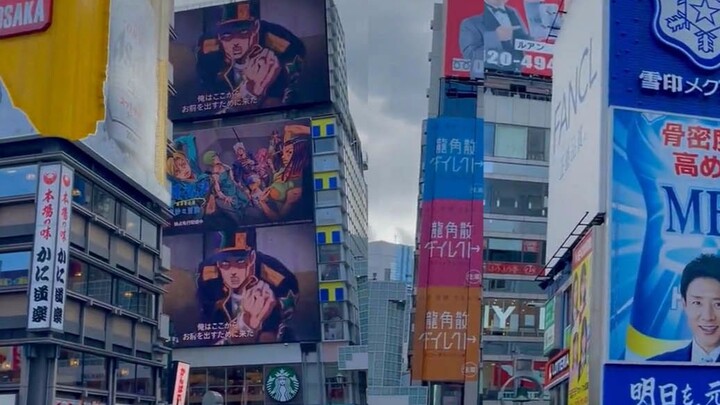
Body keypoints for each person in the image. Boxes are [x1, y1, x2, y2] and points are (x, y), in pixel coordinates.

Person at [195, 1, 306, 114]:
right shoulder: (208, 50)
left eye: (243, 32)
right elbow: (209, 100)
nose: (235, 42)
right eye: (227, 35)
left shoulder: (278, 40)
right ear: (218, 34)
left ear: (256, 27)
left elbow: (296, 59)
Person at [195, 230, 300, 345]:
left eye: (240, 261)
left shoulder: (276, 276)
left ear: (252, 257)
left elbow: (287, 301)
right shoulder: (207, 277)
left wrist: (268, 328)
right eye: (225, 263)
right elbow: (207, 320)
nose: (233, 271)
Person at [650, 254, 720, 362]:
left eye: (718, 304)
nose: (707, 316)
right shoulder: (656, 369)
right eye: (697, 303)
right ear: (684, 304)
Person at [459, 0, 532, 75]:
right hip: (486, 80)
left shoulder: (513, 12)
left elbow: (525, 42)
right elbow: (470, 55)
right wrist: (496, 37)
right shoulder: (470, 23)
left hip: (518, 78)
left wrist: (538, 35)